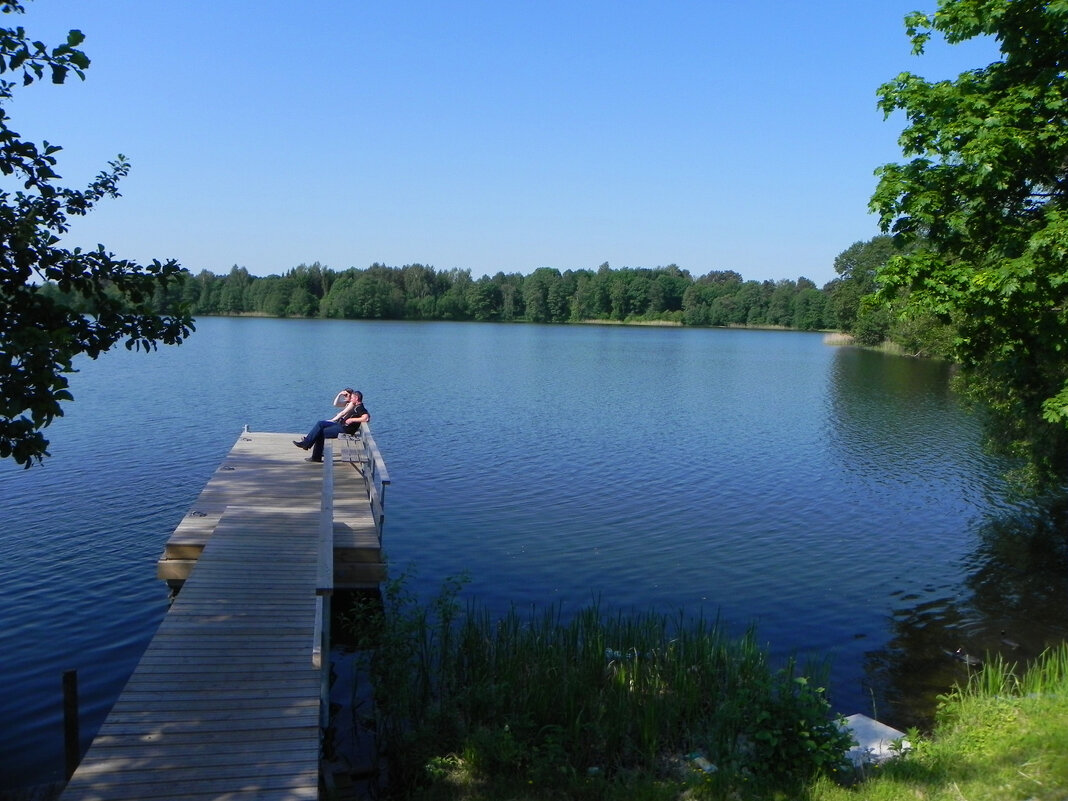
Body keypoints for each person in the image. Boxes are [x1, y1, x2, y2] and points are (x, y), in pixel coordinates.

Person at [293, 388, 370, 463]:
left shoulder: (359, 407)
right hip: (340, 425)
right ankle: (308, 447)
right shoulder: (355, 405)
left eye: (352, 397)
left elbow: (366, 418)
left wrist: (352, 420)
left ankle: (312, 452)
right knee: (320, 424)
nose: (351, 399)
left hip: (344, 429)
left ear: (356, 398)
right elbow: (336, 405)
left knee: (320, 432)